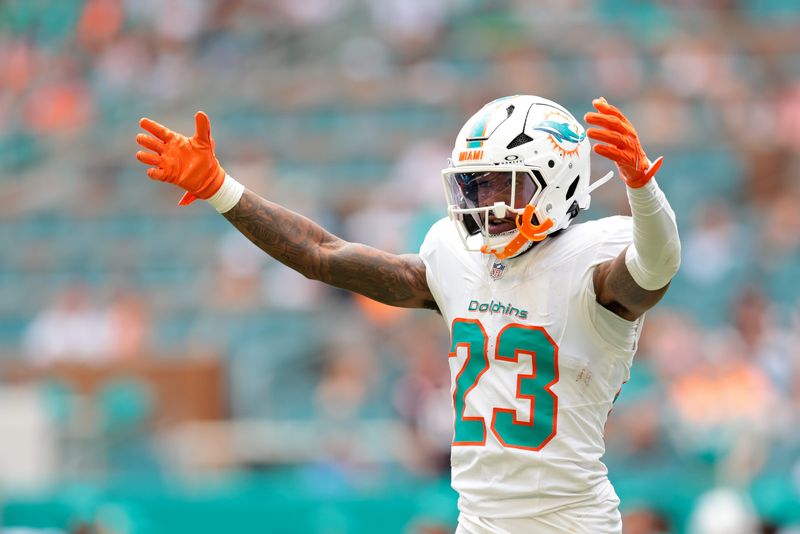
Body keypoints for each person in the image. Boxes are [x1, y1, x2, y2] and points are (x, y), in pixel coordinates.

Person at [135, 95, 681, 533]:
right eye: (475, 182)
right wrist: (219, 188)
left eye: (497, 182)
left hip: (570, 523)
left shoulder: (591, 267)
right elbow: (322, 255)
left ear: (554, 180)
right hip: (479, 521)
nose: (480, 198)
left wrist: (643, 189)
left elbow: (652, 271)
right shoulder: (455, 258)